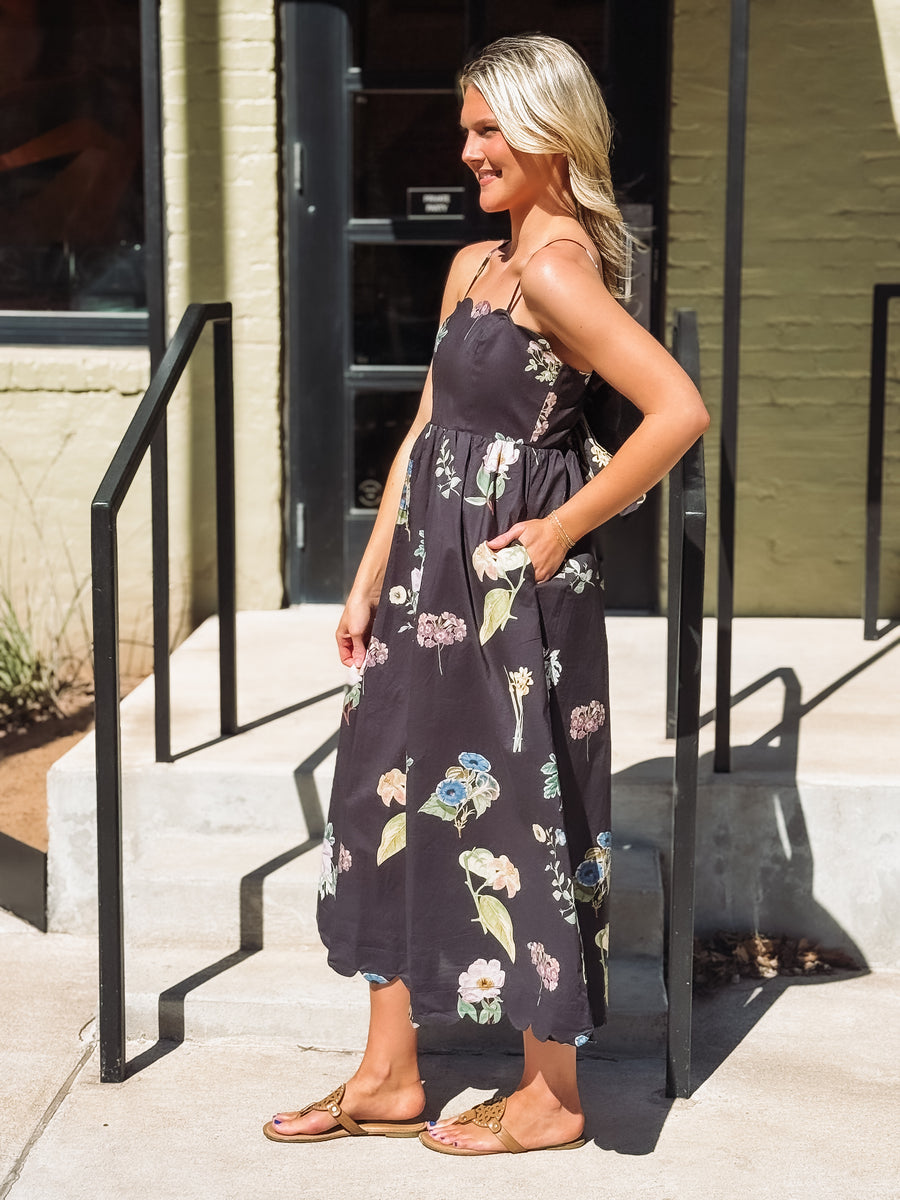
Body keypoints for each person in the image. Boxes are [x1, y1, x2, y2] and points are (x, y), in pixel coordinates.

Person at [264, 33, 709, 1156]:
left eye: (484, 128)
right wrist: (369, 575)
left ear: (547, 131)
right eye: (464, 129)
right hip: (428, 583)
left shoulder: (559, 269)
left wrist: (562, 526)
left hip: (514, 598)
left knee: (520, 809)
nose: (466, 150)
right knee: (379, 800)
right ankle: (384, 1074)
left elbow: (676, 411)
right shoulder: (478, 266)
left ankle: (552, 1094)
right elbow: (425, 431)